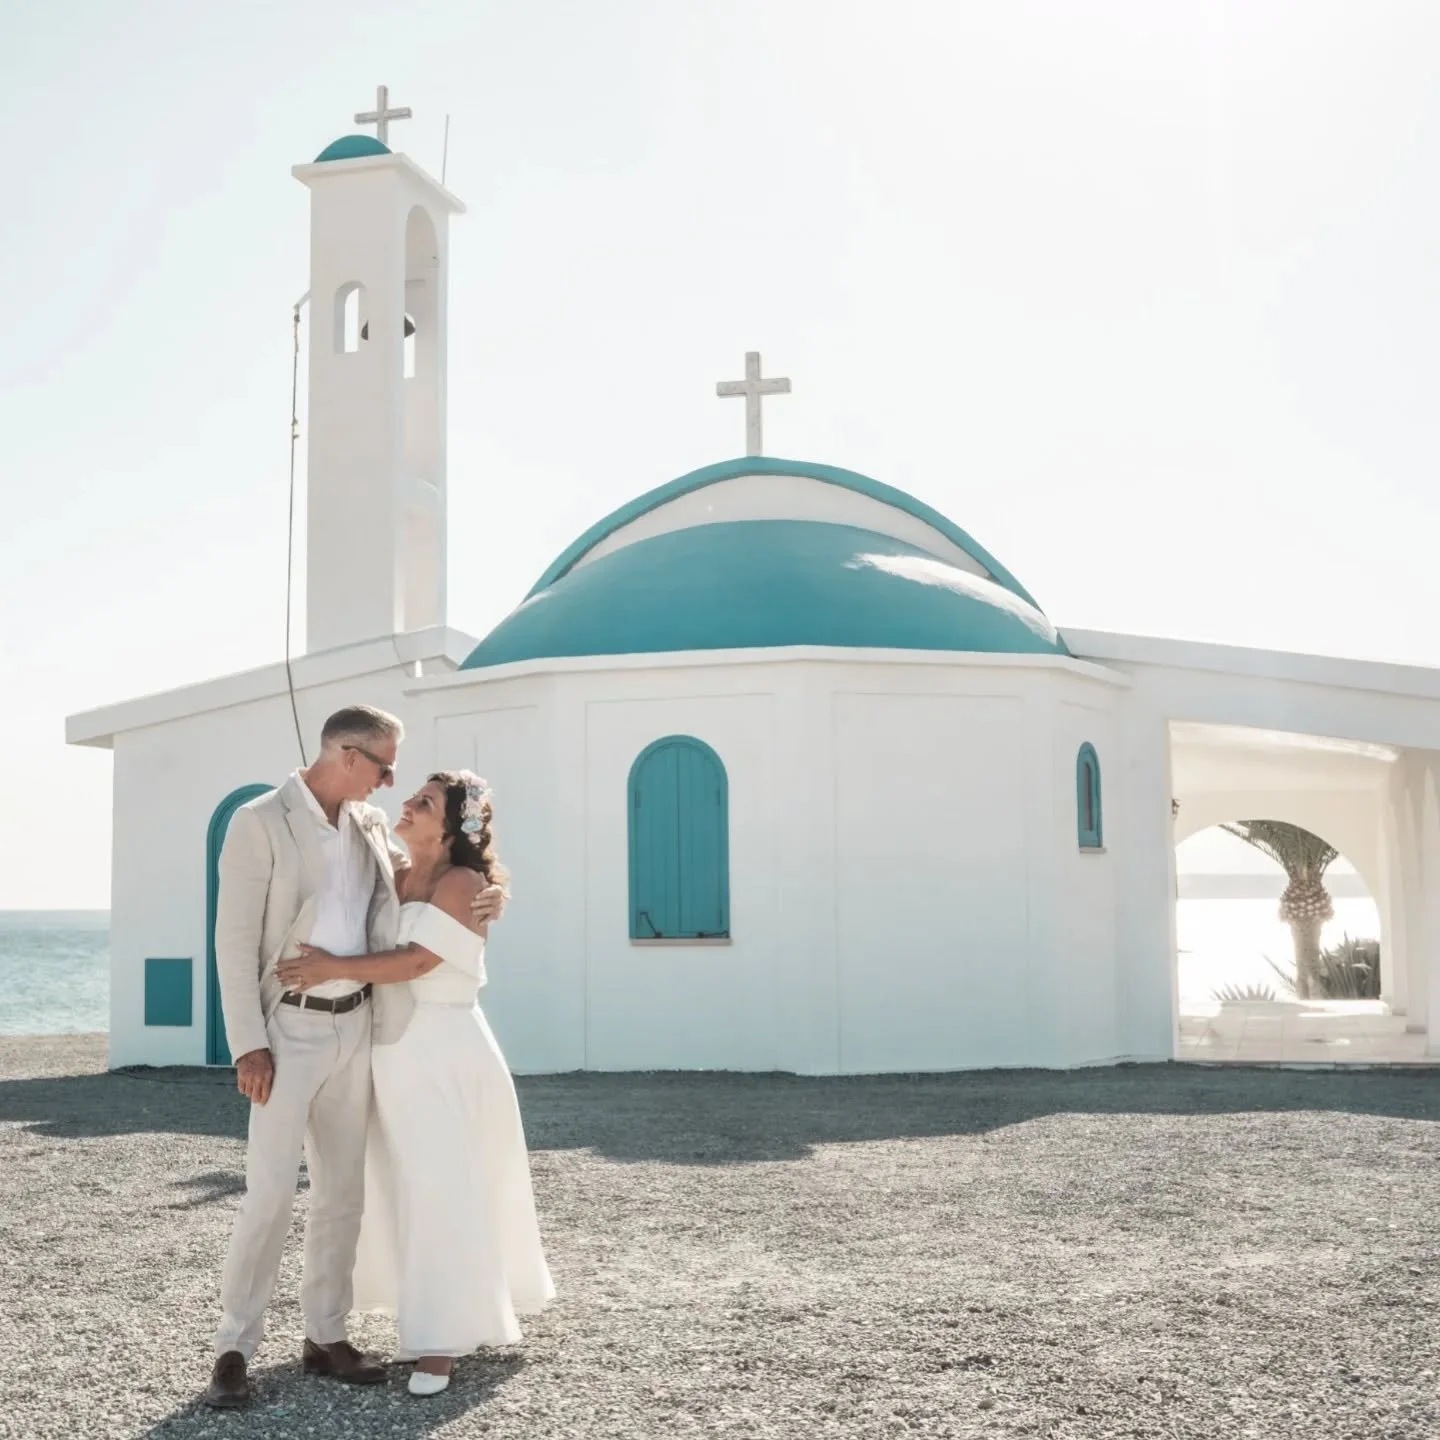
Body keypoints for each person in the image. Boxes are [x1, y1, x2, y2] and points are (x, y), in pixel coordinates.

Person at [205, 707, 505, 1410]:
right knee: (270, 1193)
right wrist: (247, 1042)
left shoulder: (371, 825)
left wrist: (492, 888)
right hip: (287, 1034)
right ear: (345, 754)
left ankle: (326, 1336)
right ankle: (233, 1347)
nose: (391, 779)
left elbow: (437, 882)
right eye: (383, 765)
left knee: (344, 1194)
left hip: (360, 1029)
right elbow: (232, 941)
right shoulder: (259, 823)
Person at [277, 769, 554, 1397]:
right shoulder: (397, 874)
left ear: (455, 824)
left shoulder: (464, 882)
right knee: (406, 1185)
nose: (407, 805)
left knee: (443, 1185)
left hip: (444, 1047)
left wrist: (330, 968)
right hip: (392, 1048)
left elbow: (418, 961)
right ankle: (433, 1312)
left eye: (424, 802)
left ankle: (441, 1342)